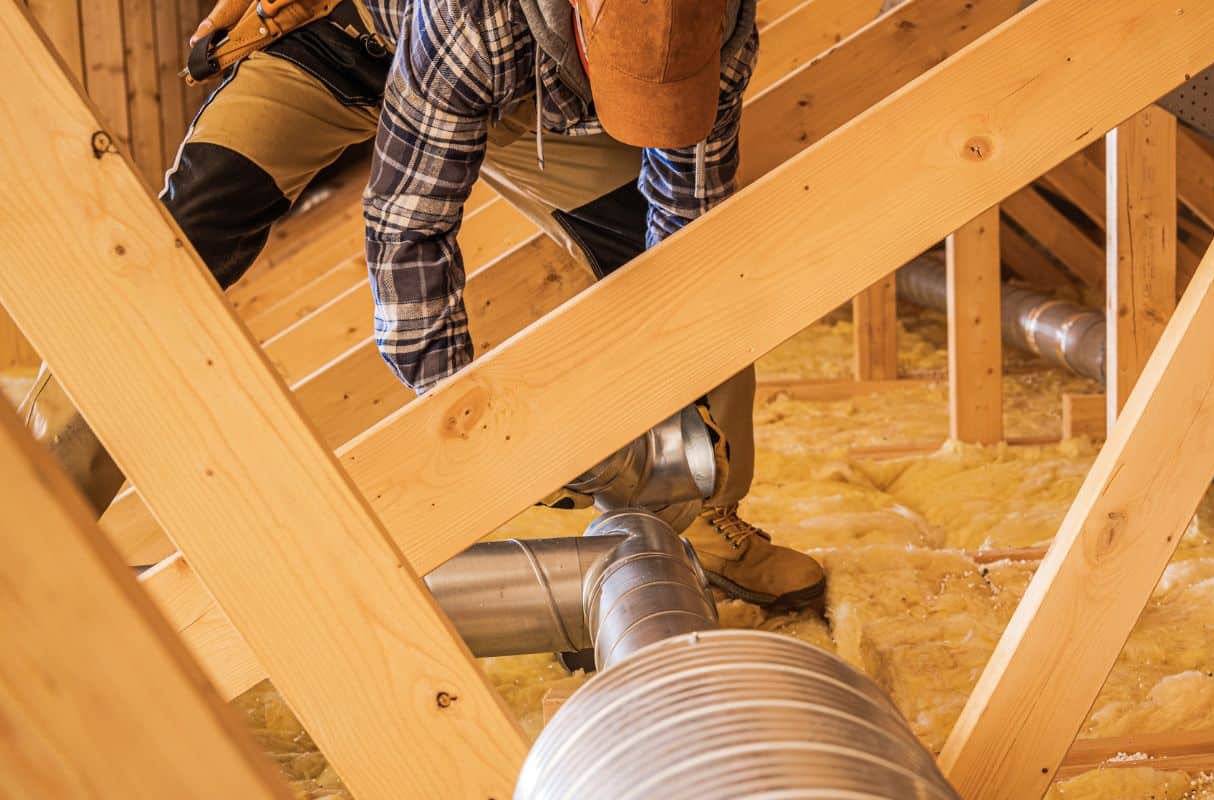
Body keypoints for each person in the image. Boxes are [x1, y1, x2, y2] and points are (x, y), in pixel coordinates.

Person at [19, 0, 826, 610]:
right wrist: (471, 414)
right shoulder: (477, 18)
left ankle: (700, 508)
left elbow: (690, 230)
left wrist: (668, 388)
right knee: (174, 249)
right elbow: (409, 225)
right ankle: (31, 535)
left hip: (533, 100)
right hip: (342, 43)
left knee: (677, 268)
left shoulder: (714, 27)